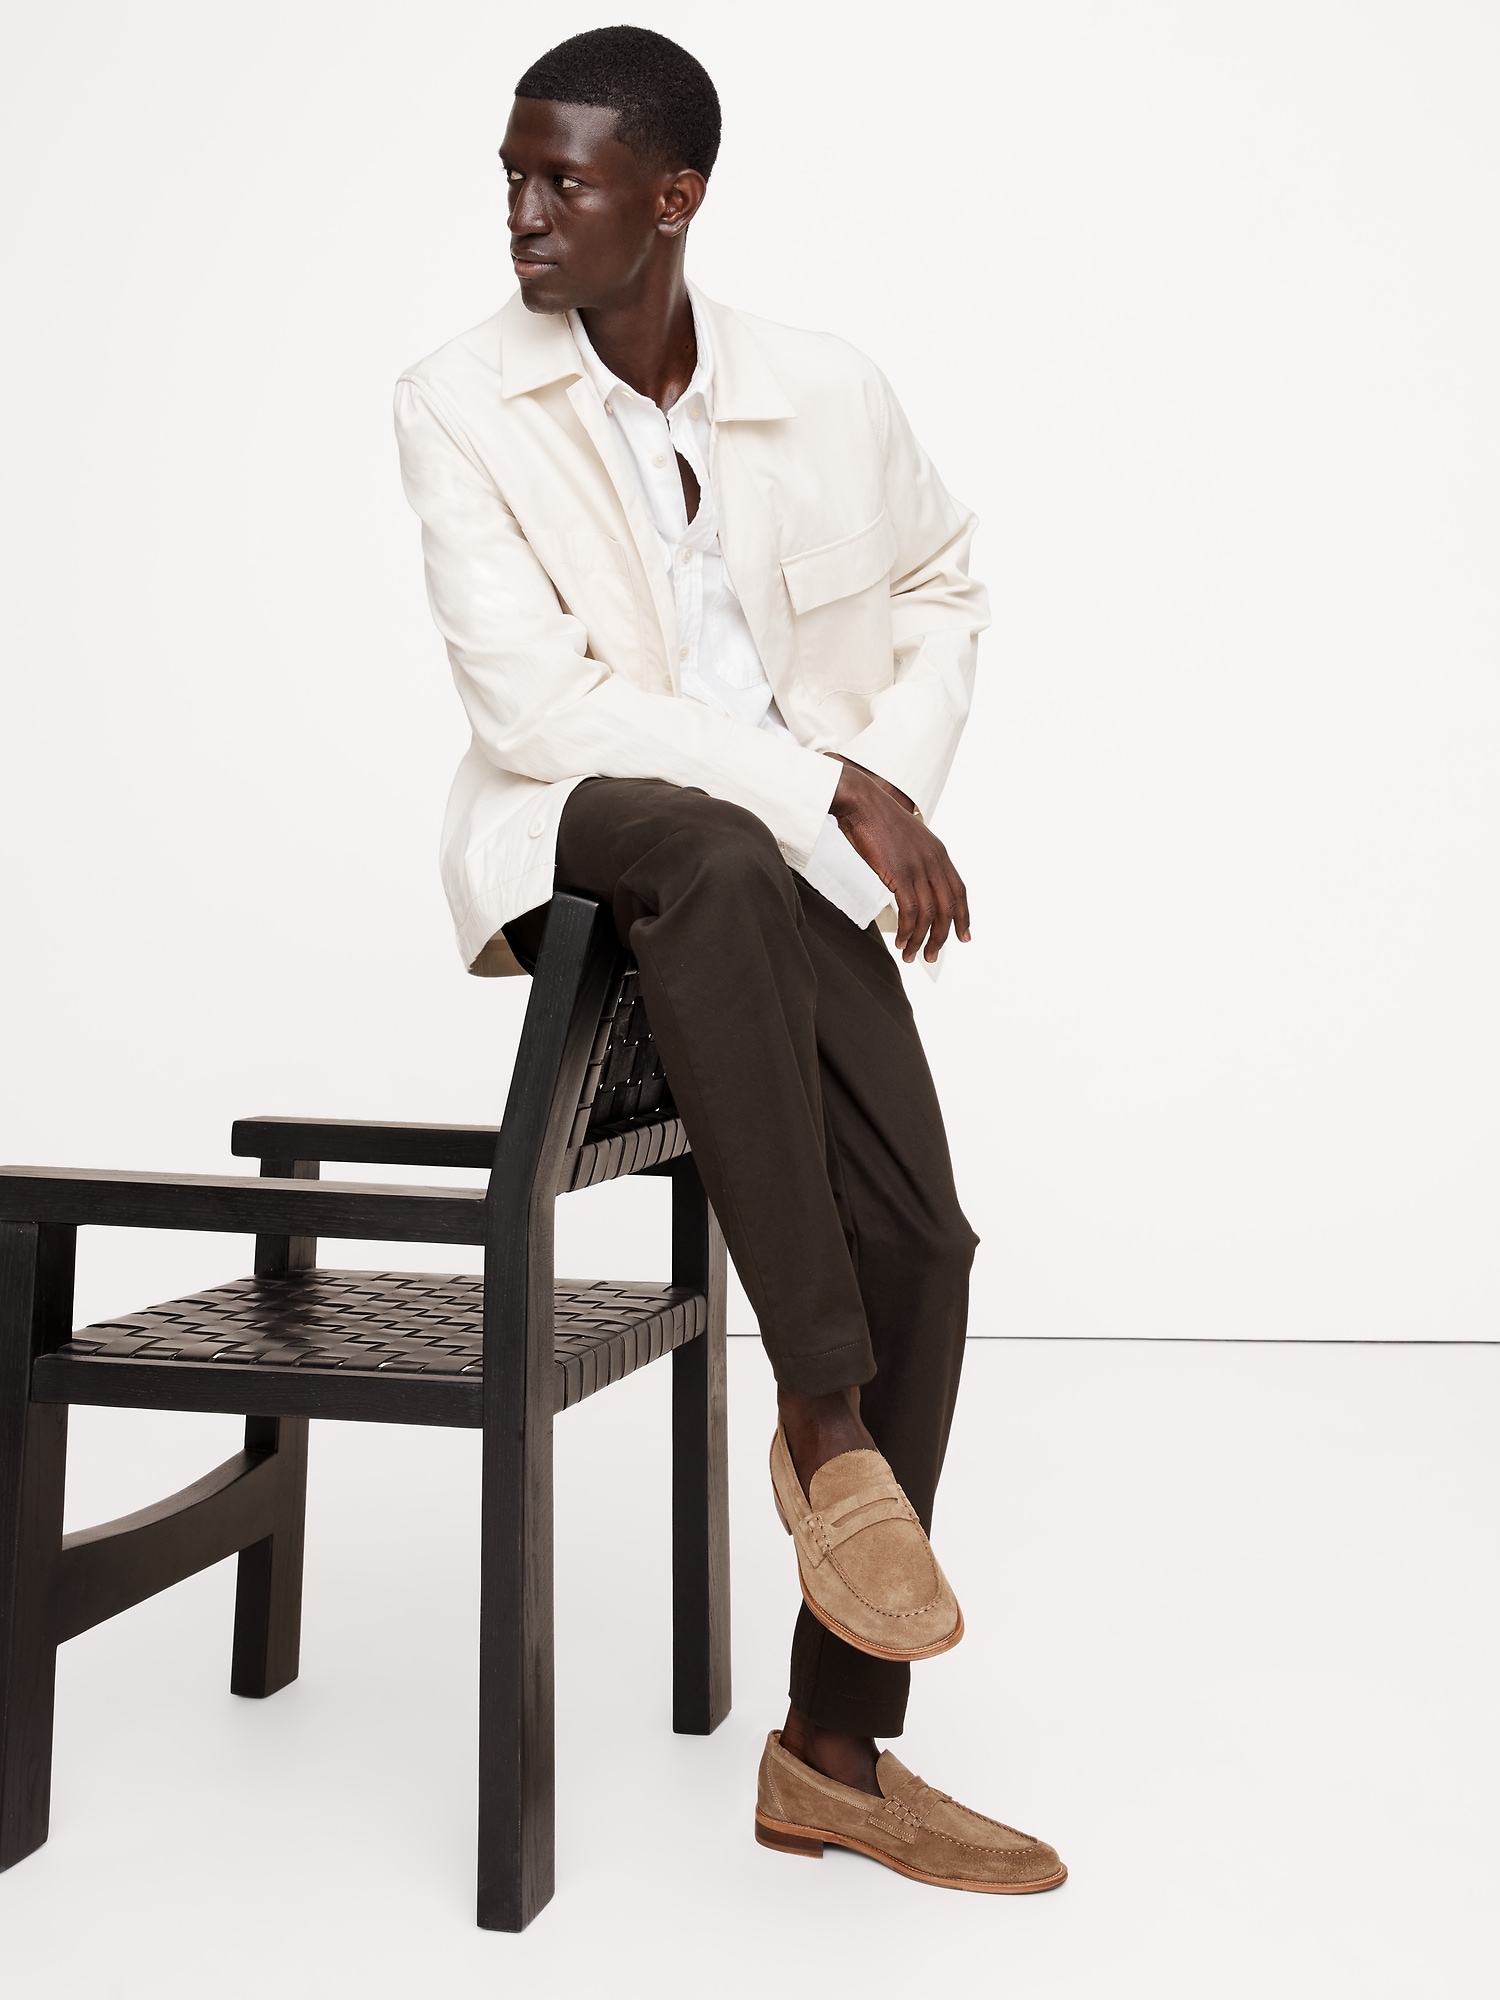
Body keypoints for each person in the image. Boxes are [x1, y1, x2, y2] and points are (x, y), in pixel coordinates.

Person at [395, 25, 1064, 1895]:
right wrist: (826, 783)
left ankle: (832, 1755)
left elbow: (942, 581)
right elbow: (534, 706)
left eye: (565, 178)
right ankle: (820, 1418)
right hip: (591, 827)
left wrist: (880, 777)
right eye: (512, 176)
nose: (524, 213)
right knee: (697, 836)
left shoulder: (824, 389)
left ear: (674, 196)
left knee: (923, 1241)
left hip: (780, 871)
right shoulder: (456, 401)